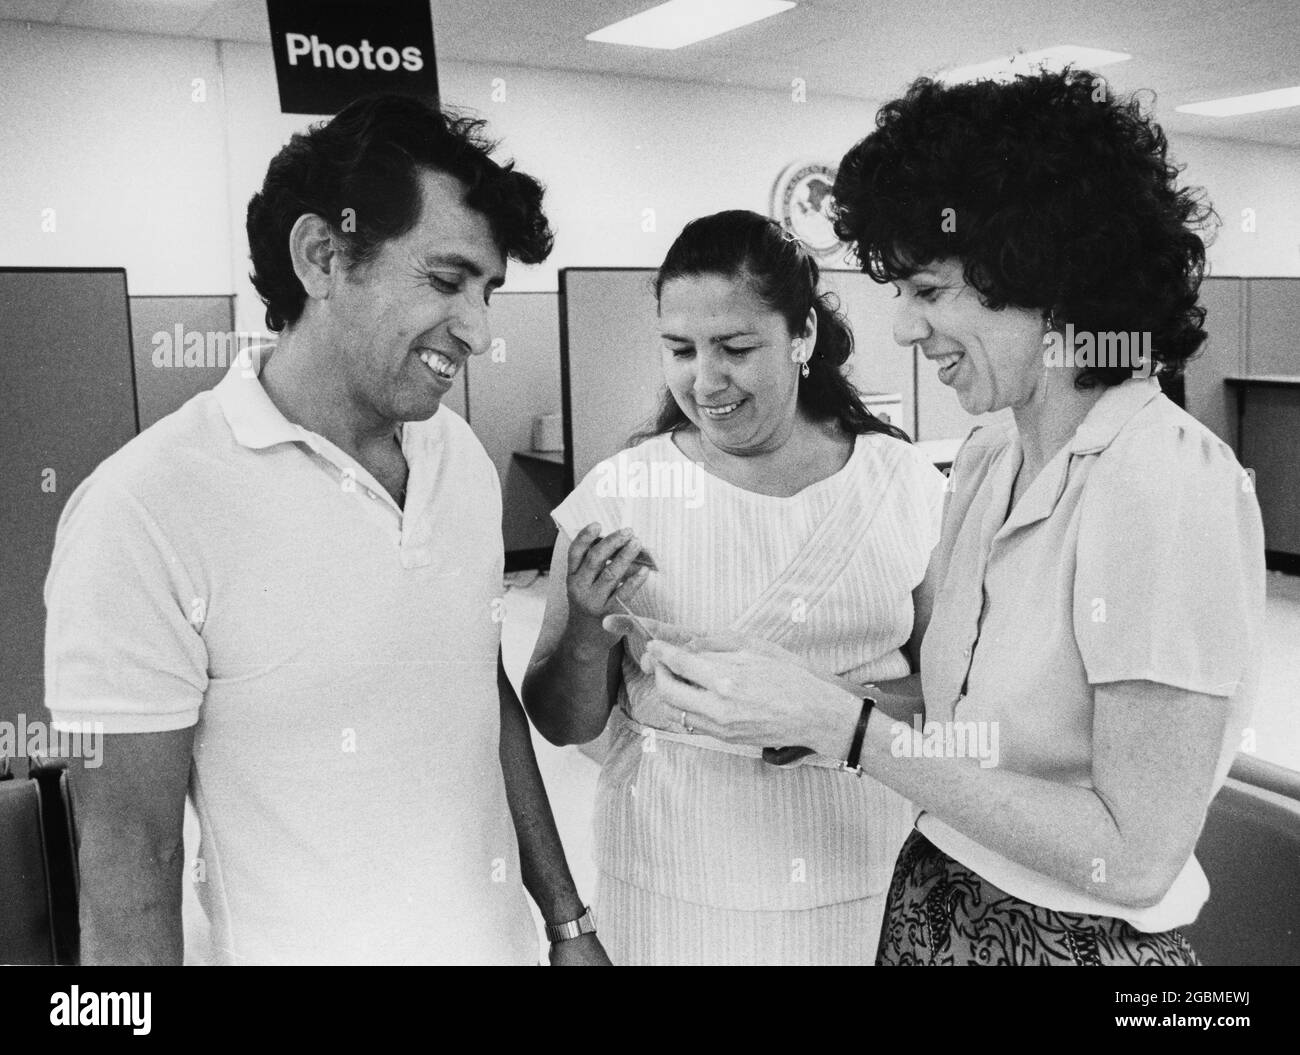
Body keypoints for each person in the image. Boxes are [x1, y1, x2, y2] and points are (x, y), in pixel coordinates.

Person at [640, 70, 1265, 965]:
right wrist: (797, 698)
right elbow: (966, 719)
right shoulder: (989, 456)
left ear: (1045, 278)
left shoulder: (1162, 482)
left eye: (927, 290)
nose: (899, 326)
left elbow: (1131, 851)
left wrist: (849, 733)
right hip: (941, 904)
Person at [44, 94, 607, 966]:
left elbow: (477, 685)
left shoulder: (455, 454)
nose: (482, 330)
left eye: (489, 292)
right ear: (321, 256)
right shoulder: (144, 508)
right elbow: (128, 861)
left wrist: (566, 919)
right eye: (446, 279)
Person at [522, 210, 947, 965]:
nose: (704, 378)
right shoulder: (622, 493)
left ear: (802, 337)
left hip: (862, 862)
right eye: (680, 349)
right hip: (673, 872)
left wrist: (830, 711)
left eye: (735, 348)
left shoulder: (902, 482)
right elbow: (560, 722)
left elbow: (958, 694)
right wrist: (587, 629)